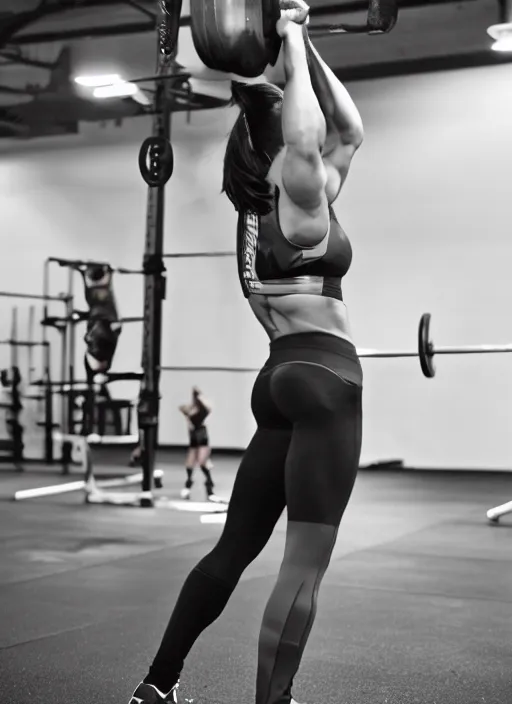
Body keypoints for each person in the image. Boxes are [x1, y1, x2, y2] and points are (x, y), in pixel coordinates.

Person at [129, 2, 364, 703]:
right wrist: (288, 36)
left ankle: (156, 686)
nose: (319, 148)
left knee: (231, 552)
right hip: (326, 381)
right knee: (302, 570)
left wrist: (305, 41)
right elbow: (317, 131)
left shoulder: (259, 212)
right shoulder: (299, 197)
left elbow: (346, 129)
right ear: (281, 146)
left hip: (278, 380)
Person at [178, 386, 222, 503]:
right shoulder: (192, 410)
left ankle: (209, 486)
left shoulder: (202, 411)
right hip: (194, 439)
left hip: (201, 438)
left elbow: (206, 408)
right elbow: (182, 408)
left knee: (202, 462)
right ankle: (188, 486)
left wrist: (198, 398)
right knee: (190, 463)